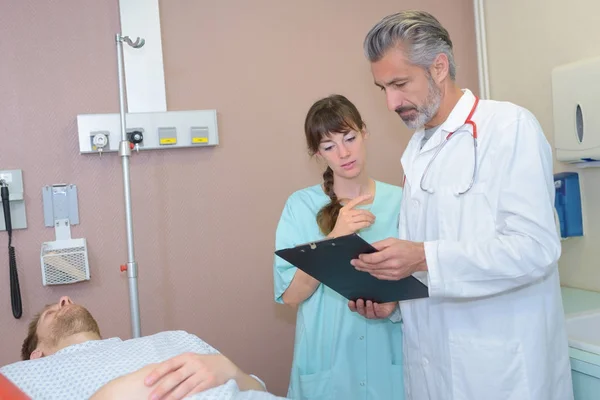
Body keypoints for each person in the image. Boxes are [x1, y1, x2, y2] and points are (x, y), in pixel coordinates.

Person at [348, 10, 574, 400]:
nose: (390, 102)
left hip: (502, 373)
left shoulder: (507, 127)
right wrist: (396, 305)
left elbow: (537, 248)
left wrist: (423, 257)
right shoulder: (417, 149)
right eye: (382, 88)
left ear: (438, 67)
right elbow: (434, 268)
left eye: (400, 84)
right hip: (432, 371)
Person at [273, 94, 405, 399]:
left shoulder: (401, 201)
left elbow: (421, 280)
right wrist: (334, 240)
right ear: (318, 154)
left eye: (349, 138)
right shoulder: (300, 206)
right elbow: (291, 296)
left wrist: (394, 306)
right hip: (327, 366)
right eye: (329, 146)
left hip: (389, 362)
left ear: (364, 133)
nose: (344, 153)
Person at [0, 296, 278, 400]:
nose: (64, 299)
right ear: (36, 356)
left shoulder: (173, 338)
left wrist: (230, 370)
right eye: (50, 312)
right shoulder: (18, 377)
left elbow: (259, 390)